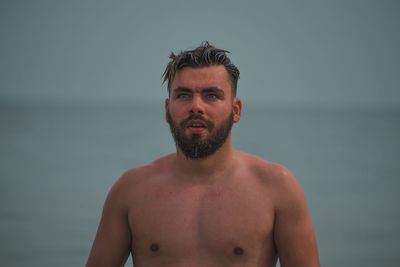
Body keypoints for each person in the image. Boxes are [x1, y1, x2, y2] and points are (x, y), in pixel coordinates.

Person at [86, 42, 320, 267]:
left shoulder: (276, 187)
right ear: (167, 110)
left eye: (211, 96)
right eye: (184, 95)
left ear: (235, 110)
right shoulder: (131, 191)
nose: (196, 106)